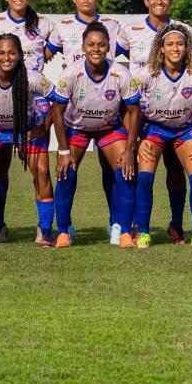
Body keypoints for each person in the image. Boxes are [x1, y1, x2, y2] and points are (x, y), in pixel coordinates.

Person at [49, 21, 141, 248]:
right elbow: (57, 111)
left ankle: (123, 229)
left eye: (101, 45)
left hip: (109, 128)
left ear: (109, 47)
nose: (96, 49)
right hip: (77, 128)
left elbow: (134, 111)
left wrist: (130, 150)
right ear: (83, 47)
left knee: (126, 172)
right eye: (91, 45)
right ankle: (63, 230)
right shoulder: (71, 73)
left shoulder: (121, 73)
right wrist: (62, 150)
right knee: (65, 172)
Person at [132, 23, 192, 248]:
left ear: (187, 47)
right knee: (144, 178)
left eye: (180, 44)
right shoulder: (147, 74)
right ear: (161, 48)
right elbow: (129, 106)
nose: (175, 48)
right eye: (170, 44)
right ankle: (143, 232)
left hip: (186, 130)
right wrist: (139, 139)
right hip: (153, 129)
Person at [115, 0, 189, 244]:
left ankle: (176, 224)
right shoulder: (131, 31)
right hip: (139, 113)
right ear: (146, 1)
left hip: (176, 113)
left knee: (175, 168)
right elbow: (113, 56)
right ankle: (136, 223)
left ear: (170, 1)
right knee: (136, 168)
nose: (159, 1)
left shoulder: (182, 31)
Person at [0, 34, 54, 246]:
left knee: (42, 173)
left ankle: (46, 231)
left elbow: (59, 101)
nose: (7, 57)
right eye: (1, 53)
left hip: (27, 130)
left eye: (12, 52)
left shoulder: (32, 78)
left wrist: (44, 126)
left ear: (20, 55)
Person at [45, 0, 122, 219]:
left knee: (111, 168)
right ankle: (64, 227)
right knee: (67, 168)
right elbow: (42, 56)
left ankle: (116, 222)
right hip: (75, 114)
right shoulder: (64, 26)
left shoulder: (113, 25)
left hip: (107, 111)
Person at [0, 0, 47, 241]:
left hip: (31, 108)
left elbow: (51, 53)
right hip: (0, 104)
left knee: (39, 170)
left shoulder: (44, 24)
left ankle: (44, 228)